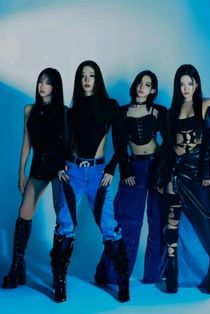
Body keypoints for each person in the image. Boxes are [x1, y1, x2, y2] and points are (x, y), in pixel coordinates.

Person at [52, 60, 130, 303]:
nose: (87, 80)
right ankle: (60, 282)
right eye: (83, 76)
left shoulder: (110, 106)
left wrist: (111, 168)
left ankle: (123, 281)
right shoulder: (72, 111)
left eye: (92, 75)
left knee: (108, 224)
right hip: (74, 171)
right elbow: (64, 142)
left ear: (98, 79)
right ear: (79, 80)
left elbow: (121, 141)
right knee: (65, 223)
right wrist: (60, 164)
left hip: (98, 173)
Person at [156, 64, 210, 294]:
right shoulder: (173, 111)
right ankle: (173, 272)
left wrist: (207, 173)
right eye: (181, 84)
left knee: (209, 219)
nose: (185, 88)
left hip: (197, 171)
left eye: (190, 83)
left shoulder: (207, 104)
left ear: (196, 84)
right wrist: (161, 175)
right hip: (175, 170)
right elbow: (168, 147)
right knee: (172, 218)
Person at [95, 70, 167, 285]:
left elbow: (170, 143)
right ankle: (114, 273)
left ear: (153, 90)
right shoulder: (122, 111)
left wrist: (164, 172)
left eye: (147, 84)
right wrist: (121, 170)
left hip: (156, 167)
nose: (142, 87)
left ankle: (154, 274)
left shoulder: (159, 111)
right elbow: (119, 145)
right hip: (133, 168)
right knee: (126, 220)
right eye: (139, 83)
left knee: (158, 220)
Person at [2, 68, 66, 290]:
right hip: (39, 166)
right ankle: (17, 266)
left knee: (62, 216)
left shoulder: (64, 112)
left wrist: (67, 168)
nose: (42, 86)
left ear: (54, 87)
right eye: (40, 81)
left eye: (47, 83)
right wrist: (21, 171)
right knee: (24, 212)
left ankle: (59, 271)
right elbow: (26, 143)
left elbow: (68, 144)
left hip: (59, 168)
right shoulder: (29, 110)